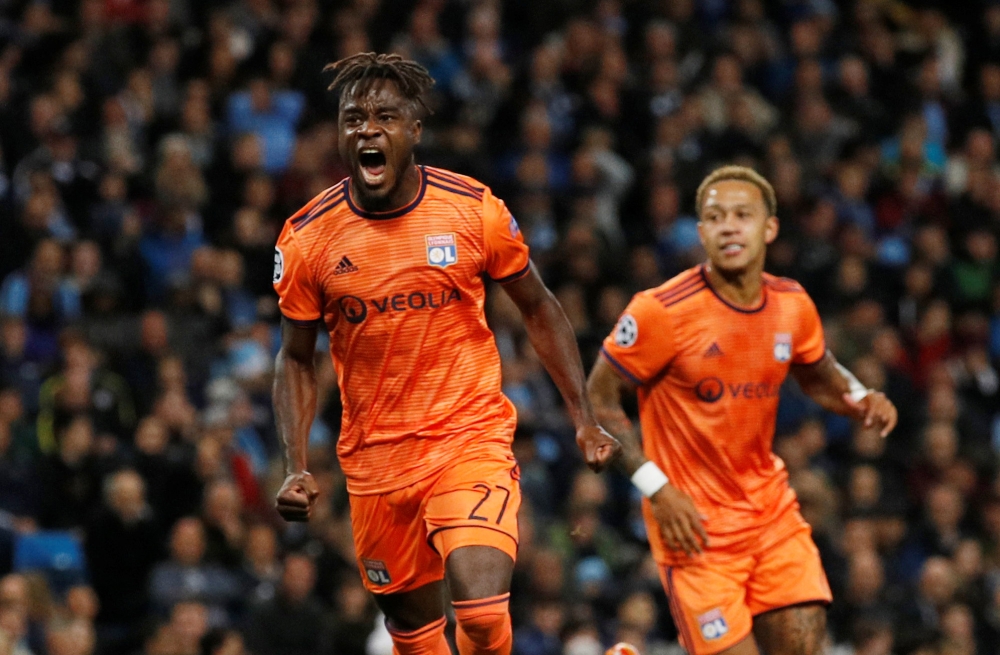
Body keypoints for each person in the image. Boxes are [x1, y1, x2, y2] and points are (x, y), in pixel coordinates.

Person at [271, 52, 618, 655]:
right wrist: (296, 462)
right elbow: (297, 358)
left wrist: (583, 417)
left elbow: (538, 308)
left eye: (384, 116)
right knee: (414, 638)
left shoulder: (471, 209)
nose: (367, 129)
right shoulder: (307, 239)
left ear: (414, 132)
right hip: (375, 463)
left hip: (466, 439)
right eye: (353, 118)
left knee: (481, 614)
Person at [586, 165, 898, 655]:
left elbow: (818, 369)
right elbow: (599, 398)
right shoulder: (660, 311)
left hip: (770, 515)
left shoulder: (792, 305)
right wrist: (656, 487)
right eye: (715, 217)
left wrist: (860, 396)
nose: (729, 226)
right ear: (701, 232)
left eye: (742, 215)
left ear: (769, 227)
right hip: (693, 529)